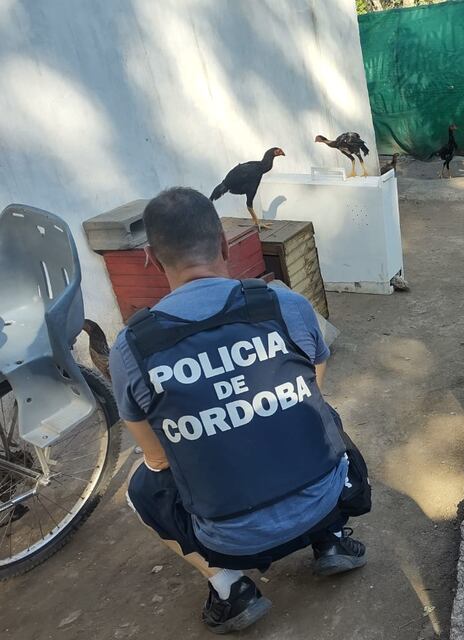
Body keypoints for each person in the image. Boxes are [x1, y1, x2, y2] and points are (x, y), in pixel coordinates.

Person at [109, 187, 371, 634]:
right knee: (319, 417)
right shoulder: (284, 304)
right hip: (326, 493)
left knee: (142, 488)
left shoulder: (132, 347)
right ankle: (330, 538)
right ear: (224, 243)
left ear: (151, 257)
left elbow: (158, 460)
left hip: (227, 537)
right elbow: (313, 382)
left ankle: (231, 588)